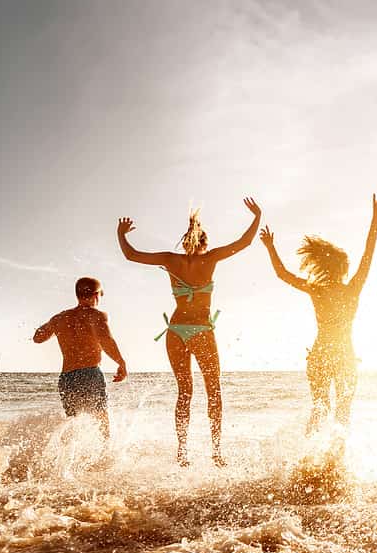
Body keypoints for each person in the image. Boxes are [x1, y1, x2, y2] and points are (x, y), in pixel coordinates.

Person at [117, 197, 261, 467]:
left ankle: (182, 452)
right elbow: (244, 242)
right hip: (201, 331)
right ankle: (216, 453)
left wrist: (120, 234)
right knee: (214, 391)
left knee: (184, 392)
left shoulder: (170, 260)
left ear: (184, 243)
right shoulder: (212, 258)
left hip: (175, 331)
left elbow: (131, 255)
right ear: (203, 243)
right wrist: (257, 216)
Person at [260, 194, 377, 434]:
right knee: (343, 411)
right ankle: (336, 463)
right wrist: (376, 217)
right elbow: (369, 253)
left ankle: (308, 459)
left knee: (320, 408)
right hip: (345, 354)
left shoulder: (316, 290)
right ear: (344, 268)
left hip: (320, 354)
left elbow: (282, 274)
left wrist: (270, 248)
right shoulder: (353, 288)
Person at [33, 277, 127, 439]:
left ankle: (70, 458)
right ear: (96, 295)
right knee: (102, 422)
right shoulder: (97, 315)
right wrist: (121, 363)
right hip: (90, 374)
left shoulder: (60, 318)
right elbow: (106, 340)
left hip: (67, 378)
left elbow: (37, 338)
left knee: (73, 423)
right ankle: (105, 456)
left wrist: (55, 323)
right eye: (101, 295)